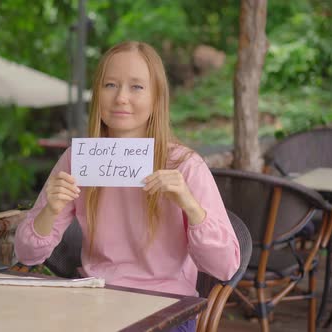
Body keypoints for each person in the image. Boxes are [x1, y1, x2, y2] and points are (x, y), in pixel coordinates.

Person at [14, 41, 240, 332]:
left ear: (157, 96)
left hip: (166, 309)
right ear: (97, 94)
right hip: (96, 301)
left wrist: (190, 205)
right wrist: (50, 210)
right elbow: (27, 255)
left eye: (136, 87)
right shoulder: (79, 158)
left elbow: (225, 267)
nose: (121, 97)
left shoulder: (185, 164)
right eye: (110, 85)